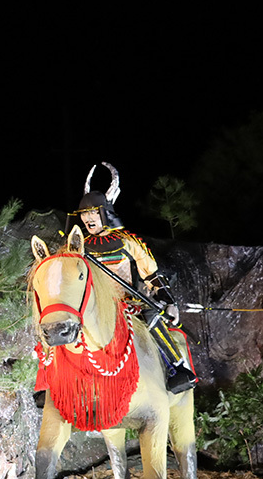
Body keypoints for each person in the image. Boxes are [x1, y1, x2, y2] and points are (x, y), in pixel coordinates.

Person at [69, 162, 197, 393]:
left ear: (105, 213)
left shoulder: (129, 242)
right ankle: (54, 379)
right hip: (96, 305)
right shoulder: (81, 247)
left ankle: (178, 369)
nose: (88, 218)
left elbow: (151, 274)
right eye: (84, 214)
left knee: (151, 317)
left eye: (93, 212)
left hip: (131, 303)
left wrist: (169, 302)